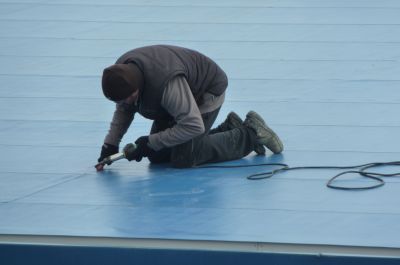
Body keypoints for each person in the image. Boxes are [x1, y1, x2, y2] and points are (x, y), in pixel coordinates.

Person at [97, 45, 283, 168]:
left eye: (128, 99)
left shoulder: (166, 84)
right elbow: (124, 108)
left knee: (184, 157)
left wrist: (151, 141)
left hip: (206, 92)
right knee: (157, 155)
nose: (125, 105)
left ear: (137, 87)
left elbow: (193, 125)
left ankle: (250, 133)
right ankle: (230, 128)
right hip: (174, 103)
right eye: (119, 102)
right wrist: (110, 145)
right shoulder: (122, 73)